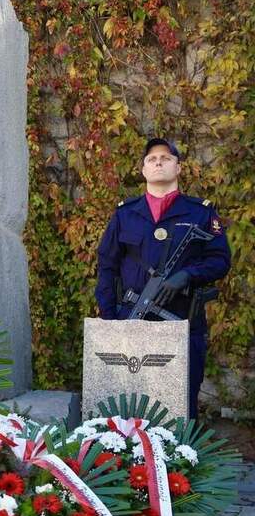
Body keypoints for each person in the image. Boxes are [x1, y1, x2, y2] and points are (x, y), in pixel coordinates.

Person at [95, 137, 231, 418]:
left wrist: (187, 275)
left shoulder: (200, 212)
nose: (158, 162)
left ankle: (180, 461)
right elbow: (107, 266)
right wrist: (109, 319)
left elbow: (220, 260)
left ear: (178, 168)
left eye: (166, 158)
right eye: (151, 159)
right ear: (143, 170)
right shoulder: (125, 213)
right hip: (130, 319)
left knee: (181, 404)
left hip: (183, 321)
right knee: (125, 402)